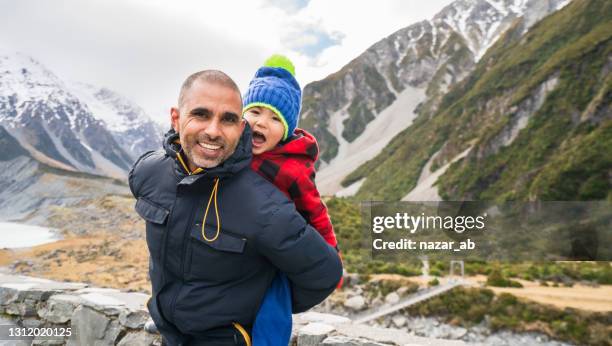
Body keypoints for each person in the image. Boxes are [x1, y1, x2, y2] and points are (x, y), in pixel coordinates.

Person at [129, 69, 343, 346]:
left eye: (227, 119)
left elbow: (324, 273)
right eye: (201, 114)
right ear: (176, 118)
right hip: (169, 333)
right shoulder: (148, 171)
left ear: (239, 128)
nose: (213, 131)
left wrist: (268, 296)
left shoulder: (266, 206)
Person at [241, 55, 341, 346]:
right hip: (239, 246)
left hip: (274, 256)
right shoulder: (234, 151)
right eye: (256, 111)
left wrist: (330, 255)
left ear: (285, 129)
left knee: (273, 307)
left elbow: (315, 211)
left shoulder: (293, 169)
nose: (262, 122)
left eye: (275, 118)